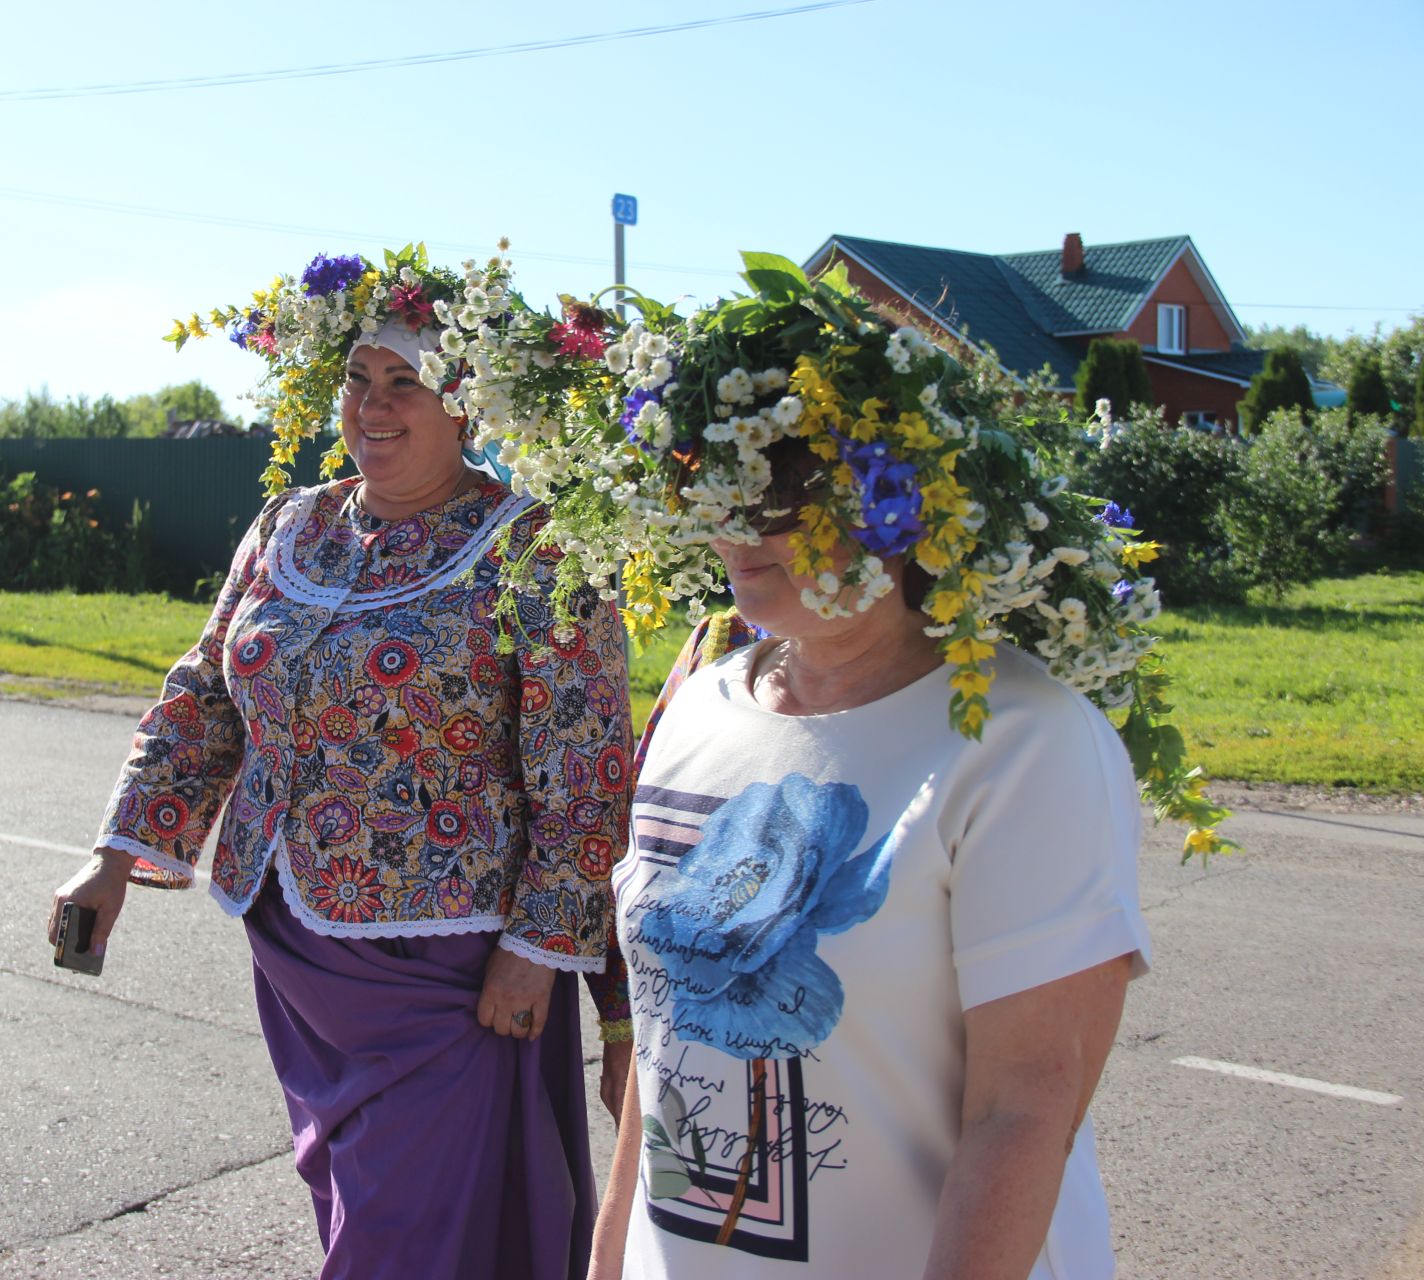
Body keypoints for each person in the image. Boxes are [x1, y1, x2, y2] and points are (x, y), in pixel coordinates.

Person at [428, 257, 1230, 1278]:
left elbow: (1023, 1109)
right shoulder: (700, 709)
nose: (735, 517)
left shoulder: (1025, 744)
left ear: (903, 501)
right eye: (718, 474)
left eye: (784, 482)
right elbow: (665, 1055)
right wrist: (609, 1257)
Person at [49, 247, 634, 1280]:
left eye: (406, 381)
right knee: (354, 1203)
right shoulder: (290, 524)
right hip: (296, 945)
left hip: (449, 964)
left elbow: (586, 763)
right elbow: (206, 695)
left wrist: (541, 944)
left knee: (408, 1233)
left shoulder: (538, 547)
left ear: (467, 402)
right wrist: (115, 852)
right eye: (358, 379)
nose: (374, 404)